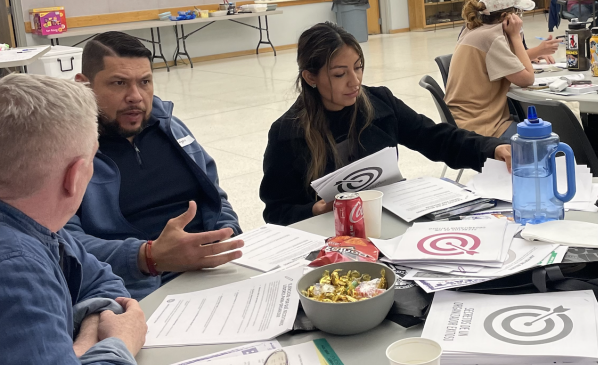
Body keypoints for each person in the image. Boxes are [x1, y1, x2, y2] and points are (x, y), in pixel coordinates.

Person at [260, 22, 512, 226]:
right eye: (340, 74)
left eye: (358, 68)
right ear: (310, 77)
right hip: (331, 234)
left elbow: (435, 137)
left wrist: (491, 149)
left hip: (392, 217)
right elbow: (277, 211)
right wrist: (314, 210)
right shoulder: (287, 133)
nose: (354, 81)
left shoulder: (379, 102)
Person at [67, 31, 245, 300]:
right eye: (119, 83)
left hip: (209, 269)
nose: (136, 96)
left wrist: (225, 235)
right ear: (84, 85)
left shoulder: (170, 127)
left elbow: (215, 197)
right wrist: (146, 257)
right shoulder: (64, 151)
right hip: (132, 289)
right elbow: (63, 243)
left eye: (145, 82)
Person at [0, 74, 147, 364]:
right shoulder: (16, 266)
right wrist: (118, 342)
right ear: (76, 175)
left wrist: (81, 348)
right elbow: (119, 315)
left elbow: (104, 283)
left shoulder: (40, 227)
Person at [445, 0, 536, 139]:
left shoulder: (472, 28)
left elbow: (514, 61)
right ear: (507, 17)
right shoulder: (492, 38)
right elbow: (527, 79)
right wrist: (516, 36)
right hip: (483, 127)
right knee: (542, 137)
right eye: (518, 13)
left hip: (462, 120)